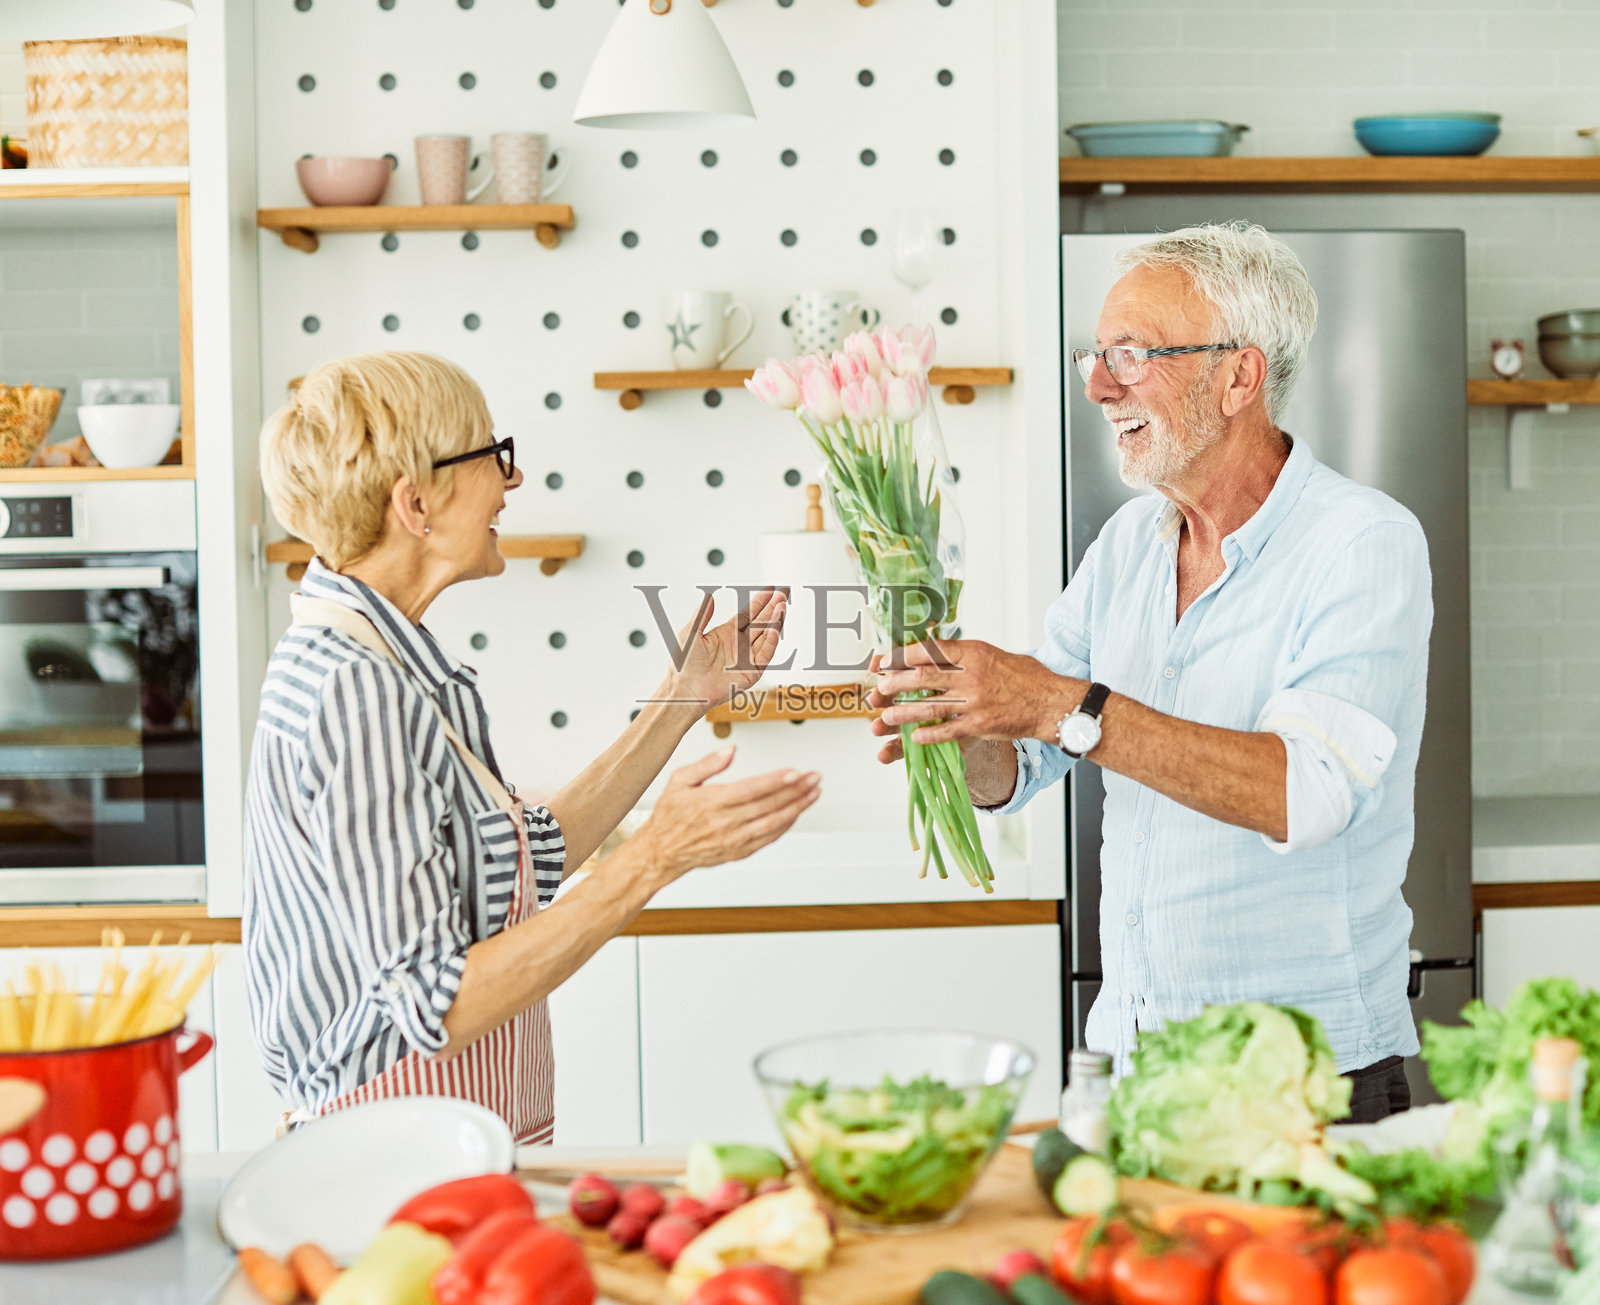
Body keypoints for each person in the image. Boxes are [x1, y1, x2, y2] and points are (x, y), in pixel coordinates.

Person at [869, 222, 1431, 1123]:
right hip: (1133, 1066)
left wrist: (1053, 703)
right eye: (1097, 355)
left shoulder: (1363, 542)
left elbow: (1308, 793)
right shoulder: (1130, 542)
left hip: (1304, 1086)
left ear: (1238, 377)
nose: (1096, 385)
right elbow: (1028, 763)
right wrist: (959, 726)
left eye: (1130, 355)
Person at [244, 351, 818, 1142]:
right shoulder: (356, 689)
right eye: (490, 454)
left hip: (444, 1139)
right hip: (392, 1155)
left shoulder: (385, 660)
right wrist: (653, 857)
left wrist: (684, 698)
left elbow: (529, 856)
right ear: (417, 503)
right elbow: (433, 1003)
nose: (511, 481)